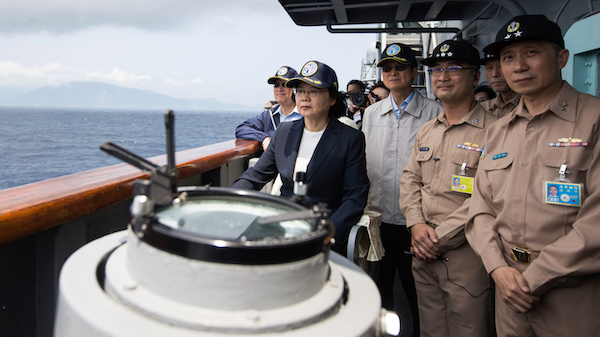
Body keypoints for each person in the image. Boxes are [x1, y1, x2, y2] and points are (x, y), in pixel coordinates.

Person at [465, 15, 600, 336]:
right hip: (507, 286)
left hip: (573, 292)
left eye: (532, 52)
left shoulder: (593, 120)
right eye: (508, 57)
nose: (518, 66)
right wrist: (497, 266)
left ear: (562, 57)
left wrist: (534, 277)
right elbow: (480, 207)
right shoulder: (498, 131)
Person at [400, 39, 498, 337]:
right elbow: (410, 179)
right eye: (436, 70)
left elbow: (488, 196)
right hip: (422, 250)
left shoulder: (496, 131)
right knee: (430, 329)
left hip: (467, 255)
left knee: (469, 330)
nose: (442, 77)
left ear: (475, 76)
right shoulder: (428, 129)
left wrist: (436, 238)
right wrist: (416, 225)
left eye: (453, 68)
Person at [231, 61, 369, 255]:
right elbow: (255, 176)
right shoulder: (285, 132)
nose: (305, 97)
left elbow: (355, 196)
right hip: (280, 221)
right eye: (301, 91)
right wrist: (227, 198)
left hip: (320, 228)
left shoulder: (349, 139)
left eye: (313, 91)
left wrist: (331, 231)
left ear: (331, 99)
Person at [362, 42, 442, 335]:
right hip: (379, 217)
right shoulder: (372, 114)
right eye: (387, 68)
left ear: (414, 71)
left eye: (400, 67)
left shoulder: (434, 112)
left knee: (417, 292)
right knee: (381, 287)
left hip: (416, 221)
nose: (393, 72)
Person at [235, 66, 301, 151]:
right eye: (276, 85)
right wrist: (264, 139)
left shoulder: (305, 115)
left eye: (285, 84)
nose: (280, 89)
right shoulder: (269, 116)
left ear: (294, 88)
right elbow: (242, 129)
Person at [480, 52, 520, 118]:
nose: (495, 74)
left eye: (500, 67)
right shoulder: (482, 108)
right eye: (489, 68)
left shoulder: (530, 106)